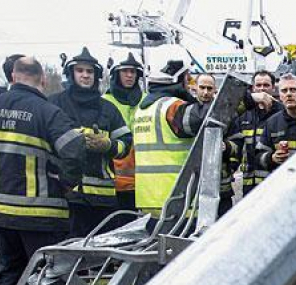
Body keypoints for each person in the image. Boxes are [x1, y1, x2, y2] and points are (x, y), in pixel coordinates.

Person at [0, 57, 85, 285]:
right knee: (50, 270)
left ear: (12, 77)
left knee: (9, 267)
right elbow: (74, 147)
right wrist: (68, 183)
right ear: (43, 79)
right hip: (41, 212)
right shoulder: (47, 112)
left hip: (1, 210)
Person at [50, 47, 133, 238]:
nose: (85, 76)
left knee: (104, 256)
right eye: (80, 71)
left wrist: (109, 146)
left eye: (89, 71)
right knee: (71, 255)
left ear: (96, 76)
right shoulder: (55, 104)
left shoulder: (108, 108)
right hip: (67, 195)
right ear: (71, 73)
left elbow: (126, 143)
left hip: (103, 198)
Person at [133, 57, 212, 223]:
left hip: (150, 200)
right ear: (178, 78)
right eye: (187, 77)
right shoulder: (171, 107)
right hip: (177, 200)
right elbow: (201, 118)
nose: (189, 81)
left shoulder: (143, 110)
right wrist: (246, 99)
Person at [193, 73, 240, 217]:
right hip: (194, 185)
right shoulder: (188, 112)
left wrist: (226, 146)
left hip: (222, 188)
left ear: (215, 90)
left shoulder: (227, 114)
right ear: (195, 88)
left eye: (209, 88)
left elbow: (238, 143)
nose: (206, 92)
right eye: (202, 88)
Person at [103, 52, 145, 212]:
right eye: (125, 71)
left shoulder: (146, 101)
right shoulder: (104, 102)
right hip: (113, 184)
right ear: (116, 74)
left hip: (144, 183)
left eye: (133, 71)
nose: (129, 75)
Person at [255, 73, 296, 176]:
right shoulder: (272, 122)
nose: (288, 94)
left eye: (293, 90)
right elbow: (258, 157)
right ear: (280, 95)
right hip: (282, 184)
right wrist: (272, 158)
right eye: (284, 90)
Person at [238, 70, 282, 196]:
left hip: (274, 182)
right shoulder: (244, 114)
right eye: (258, 85)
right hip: (248, 183)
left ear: (273, 88)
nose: (262, 88)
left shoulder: (282, 113)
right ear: (252, 88)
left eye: (266, 85)